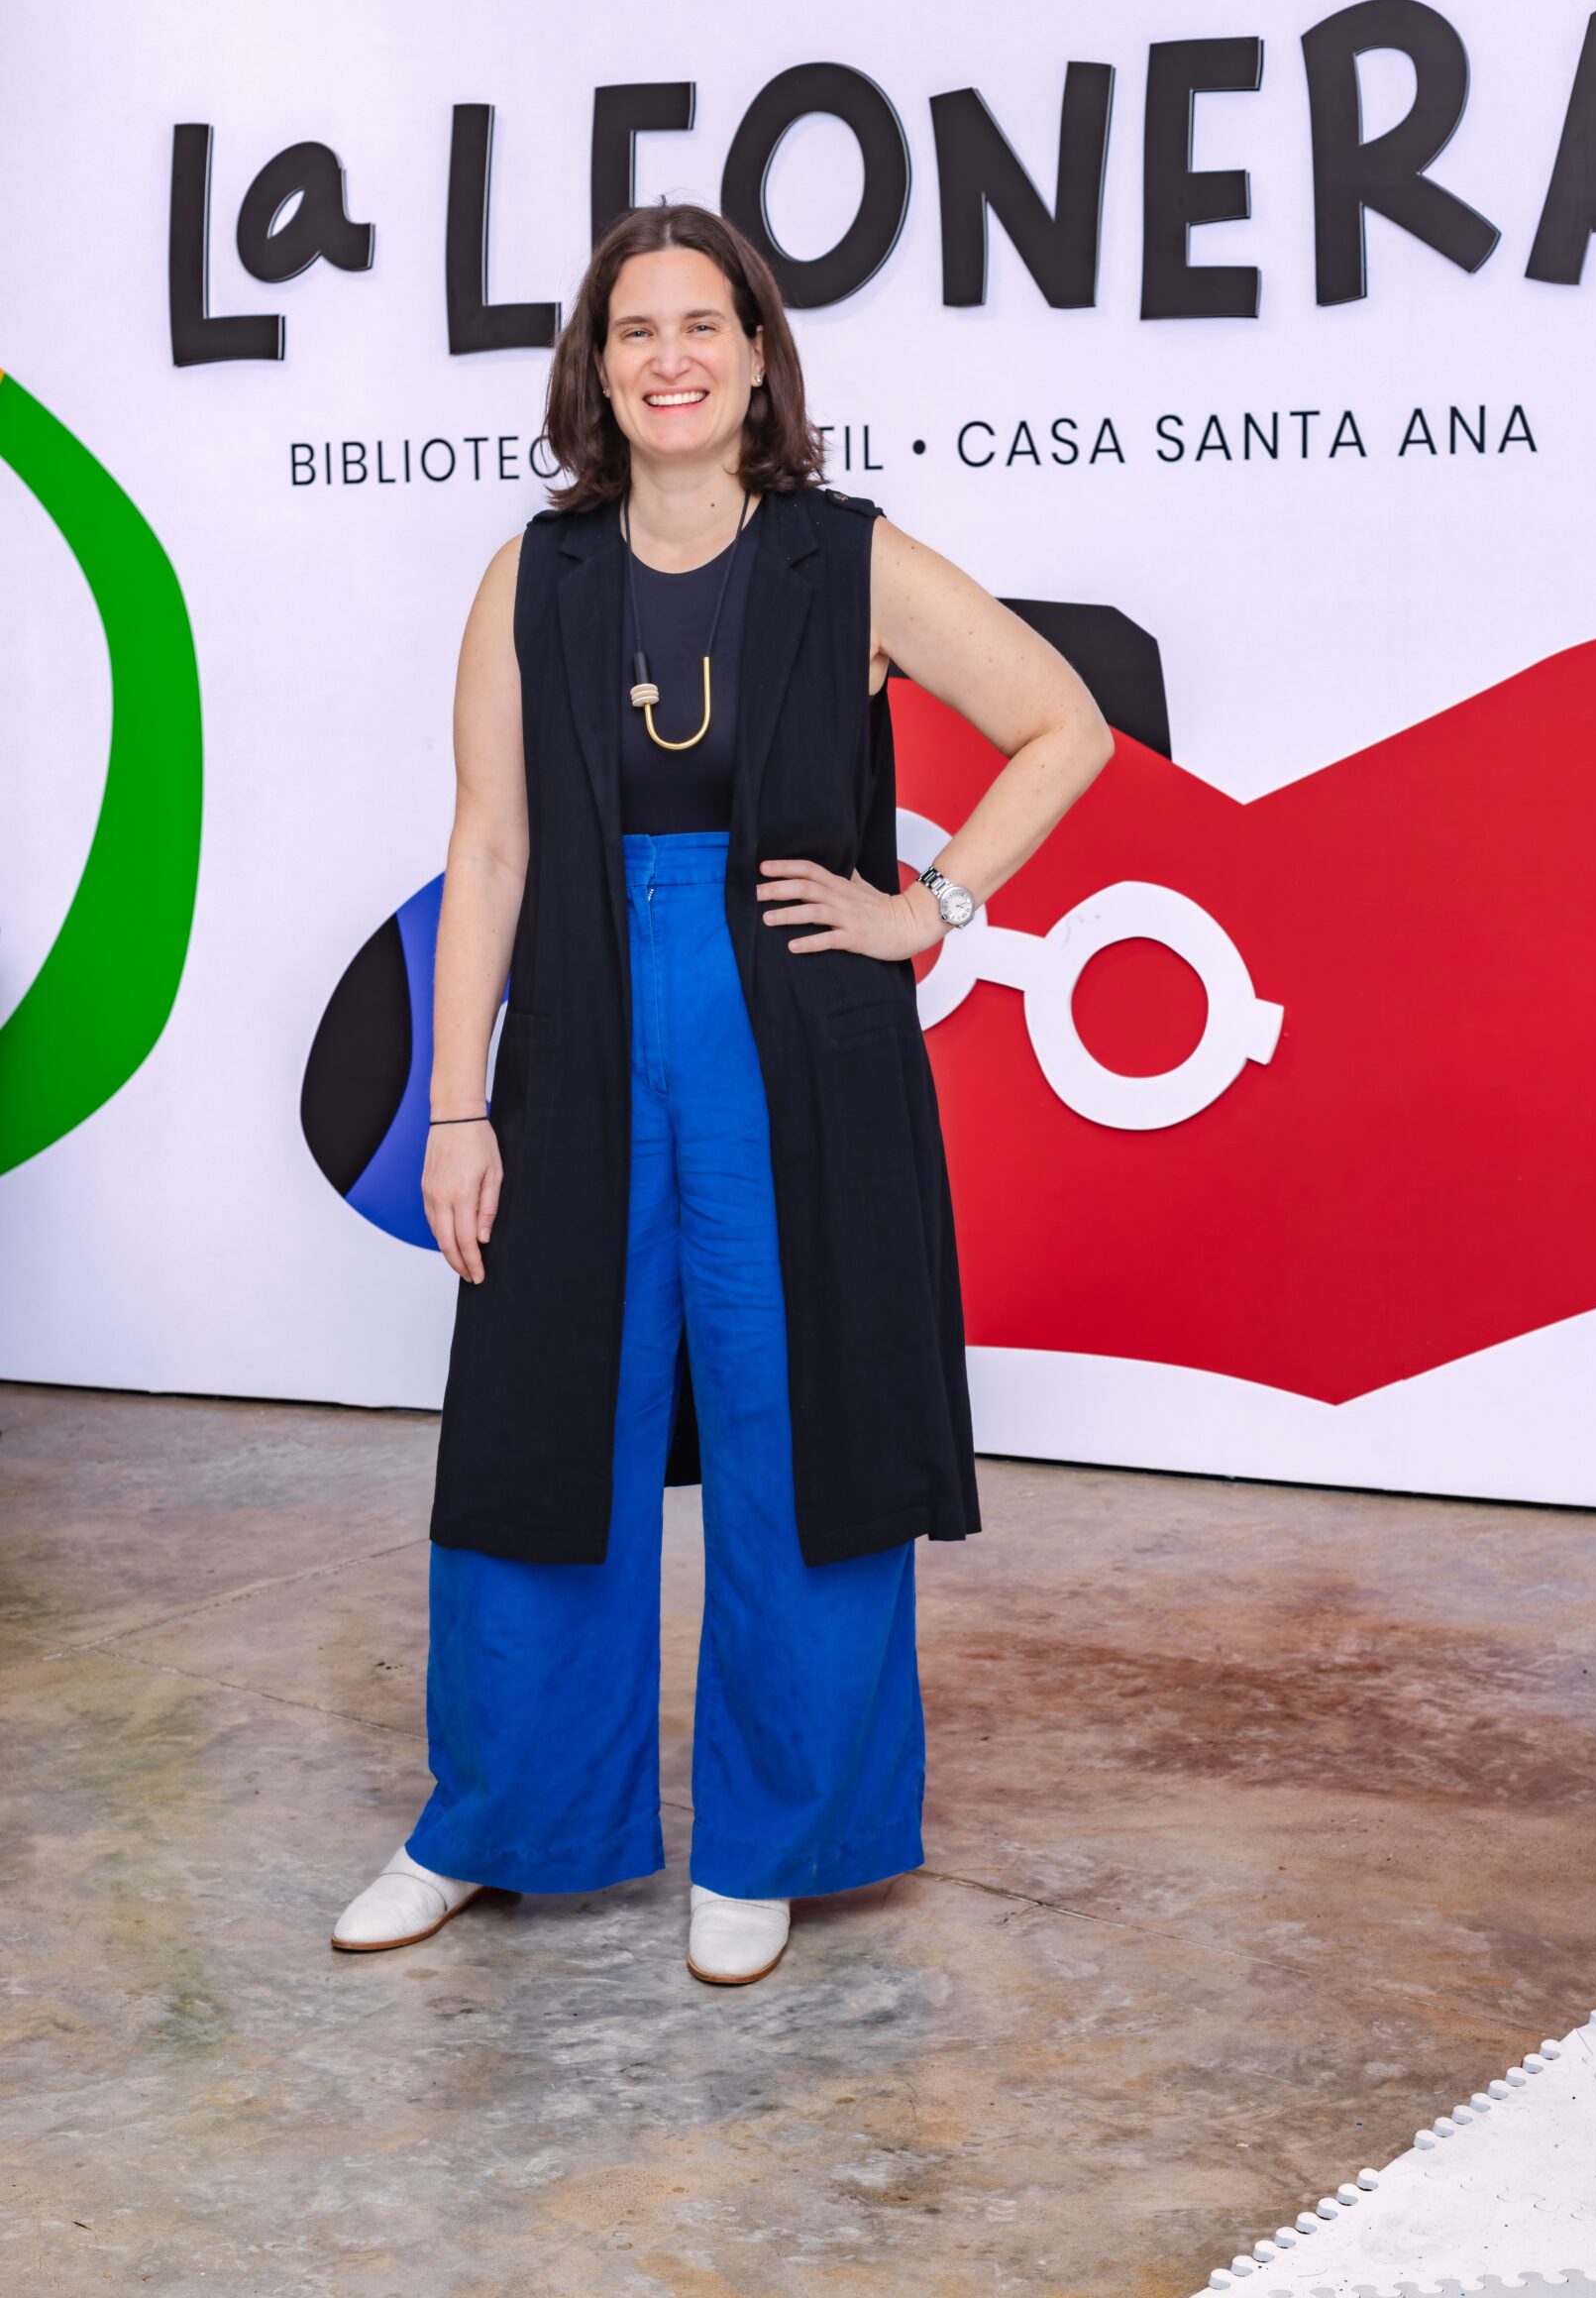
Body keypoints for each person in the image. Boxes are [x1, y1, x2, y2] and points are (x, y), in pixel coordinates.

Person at [331, 202, 1113, 1980]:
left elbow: (1061, 721)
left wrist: (929, 908)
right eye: (635, 329)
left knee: (800, 1430)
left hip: (798, 1047)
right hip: (583, 1034)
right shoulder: (535, 575)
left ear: (759, 357)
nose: (669, 357)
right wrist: (456, 1107)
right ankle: (492, 1821)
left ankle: (776, 1839)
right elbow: (492, 846)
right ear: (596, 368)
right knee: (542, 1424)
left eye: (703, 324)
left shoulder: (848, 559)